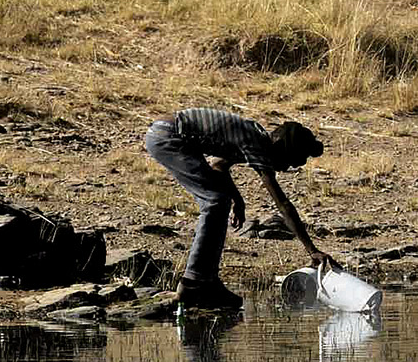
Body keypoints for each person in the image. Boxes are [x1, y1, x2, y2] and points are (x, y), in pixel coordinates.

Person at [144, 106, 337, 311]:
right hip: (168, 137)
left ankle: (208, 281)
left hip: (169, 134)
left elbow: (218, 165)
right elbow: (282, 204)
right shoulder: (257, 143)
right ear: (280, 146)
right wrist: (312, 250)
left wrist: (238, 200)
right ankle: (192, 285)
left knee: (220, 201)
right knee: (215, 202)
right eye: (288, 161)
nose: (286, 168)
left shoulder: (254, 135)